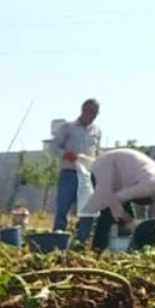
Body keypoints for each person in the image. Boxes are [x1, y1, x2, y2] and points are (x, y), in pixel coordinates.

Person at [80, 148, 155, 250]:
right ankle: (97, 250)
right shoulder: (149, 185)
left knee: (127, 223)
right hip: (105, 168)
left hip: (123, 181)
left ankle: (122, 248)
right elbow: (112, 200)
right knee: (108, 215)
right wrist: (129, 220)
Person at [49, 99, 102, 233]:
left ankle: (82, 241)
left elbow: (96, 151)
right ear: (84, 110)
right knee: (63, 208)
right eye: (91, 111)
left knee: (87, 211)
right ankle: (58, 238)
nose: (93, 115)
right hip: (69, 173)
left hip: (87, 176)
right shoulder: (68, 127)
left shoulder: (97, 131)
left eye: (96, 112)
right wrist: (65, 154)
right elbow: (53, 146)